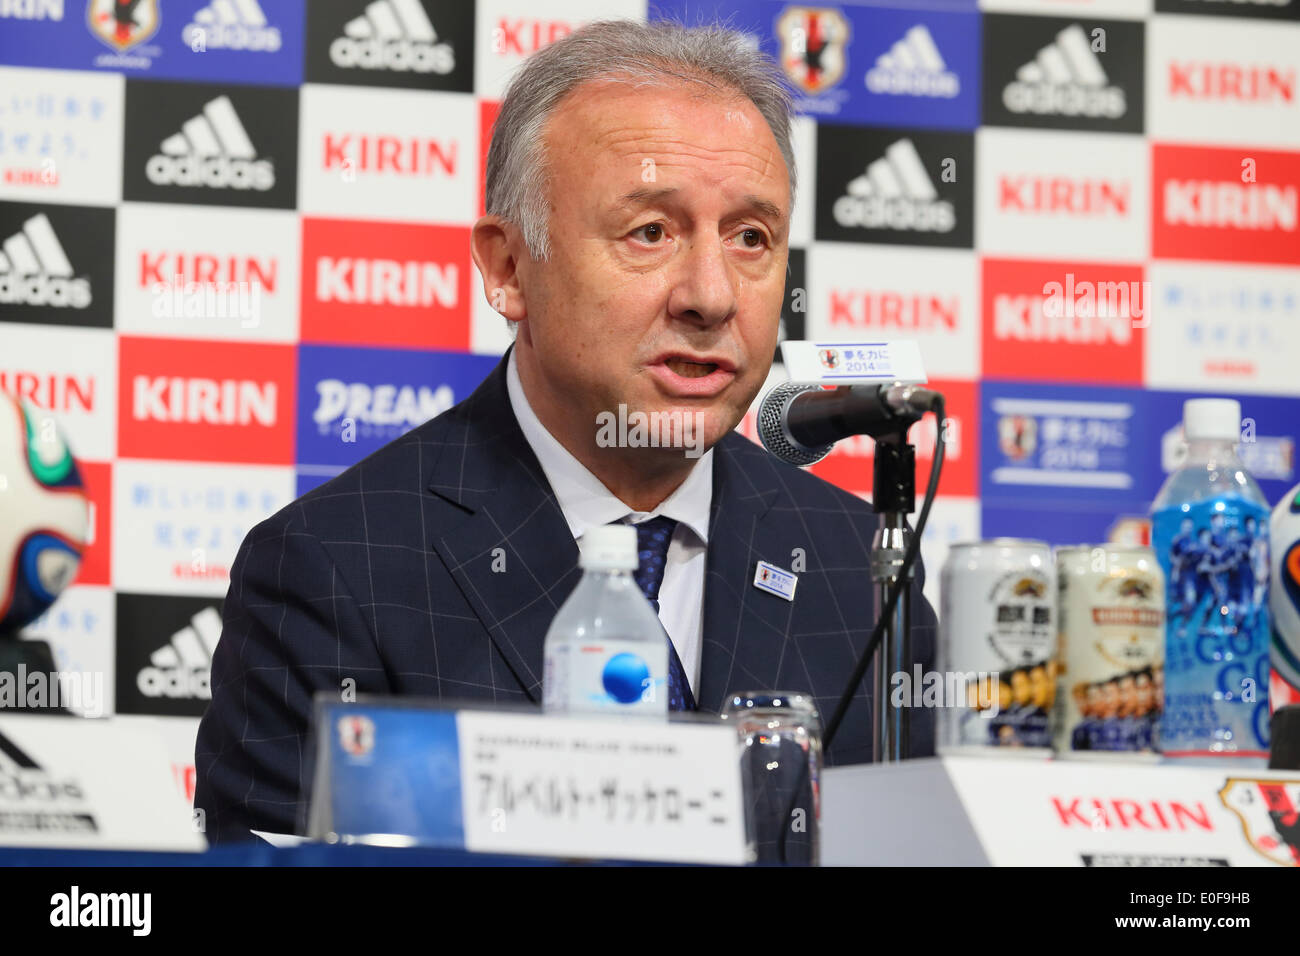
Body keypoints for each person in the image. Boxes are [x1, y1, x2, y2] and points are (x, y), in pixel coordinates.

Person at [194, 19, 938, 845]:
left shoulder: (860, 569)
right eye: (650, 231)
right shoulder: (336, 565)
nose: (712, 296)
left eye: (750, 238)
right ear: (509, 269)